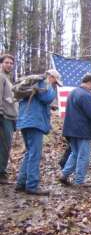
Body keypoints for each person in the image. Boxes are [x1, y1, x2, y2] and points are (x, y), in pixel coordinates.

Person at [14, 70, 62, 195]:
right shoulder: (43, 83)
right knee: (34, 154)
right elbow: (47, 98)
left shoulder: (33, 84)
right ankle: (32, 186)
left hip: (25, 121)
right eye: (55, 82)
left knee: (29, 153)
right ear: (51, 77)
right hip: (34, 122)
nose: (55, 85)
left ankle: (21, 183)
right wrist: (52, 88)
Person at [59, 73, 91, 186]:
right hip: (83, 130)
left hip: (71, 128)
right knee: (84, 156)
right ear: (89, 82)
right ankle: (79, 181)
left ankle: (64, 175)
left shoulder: (73, 92)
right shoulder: (86, 95)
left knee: (75, 153)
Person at [0, 54, 17, 185]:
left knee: (6, 145)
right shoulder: (1, 77)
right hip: (3, 116)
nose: (9, 65)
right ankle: (1, 174)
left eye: (11, 63)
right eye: (6, 62)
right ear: (1, 63)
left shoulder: (7, 78)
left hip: (10, 116)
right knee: (4, 146)